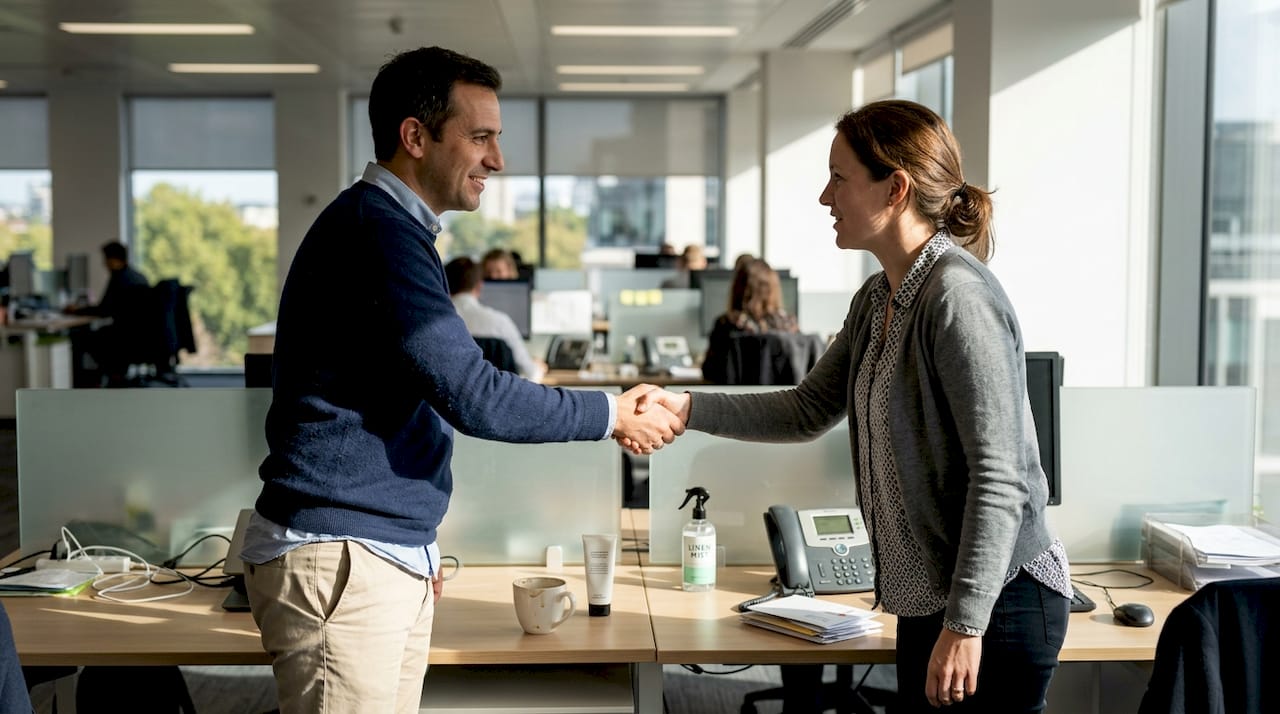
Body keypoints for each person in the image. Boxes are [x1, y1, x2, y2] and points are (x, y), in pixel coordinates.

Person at [239, 46, 683, 714]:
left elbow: (406, 397)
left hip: (377, 548)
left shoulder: (394, 232)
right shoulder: (378, 234)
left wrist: (416, 545)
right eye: (480, 138)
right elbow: (473, 394)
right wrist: (610, 415)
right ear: (415, 137)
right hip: (342, 556)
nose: (497, 161)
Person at [634, 99, 1071, 713]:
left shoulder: (958, 299)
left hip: (998, 604)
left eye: (839, 177)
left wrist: (966, 625)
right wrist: (684, 408)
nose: (824, 197)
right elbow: (806, 409)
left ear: (895, 188)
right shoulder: (878, 299)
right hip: (932, 601)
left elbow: (1000, 480)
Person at [699, 257, 800, 383]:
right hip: (782, 401)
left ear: (737, 289)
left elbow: (709, 372)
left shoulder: (727, 324)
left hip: (737, 401)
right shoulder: (790, 326)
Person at [66, 240, 153, 385]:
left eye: (105, 259)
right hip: (139, 337)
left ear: (113, 259)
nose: (104, 264)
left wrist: (76, 311)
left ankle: (84, 384)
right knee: (93, 334)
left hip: (122, 337)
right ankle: (109, 375)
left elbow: (104, 310)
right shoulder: (138, 277)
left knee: (79, 337)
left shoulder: (120, 278)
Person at [445, 256, 545, 379]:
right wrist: (539, 368)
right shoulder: (500, 323)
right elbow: (531, 374)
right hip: (498, 397)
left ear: (444, 285)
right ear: (479, 286)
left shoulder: (435, 324)